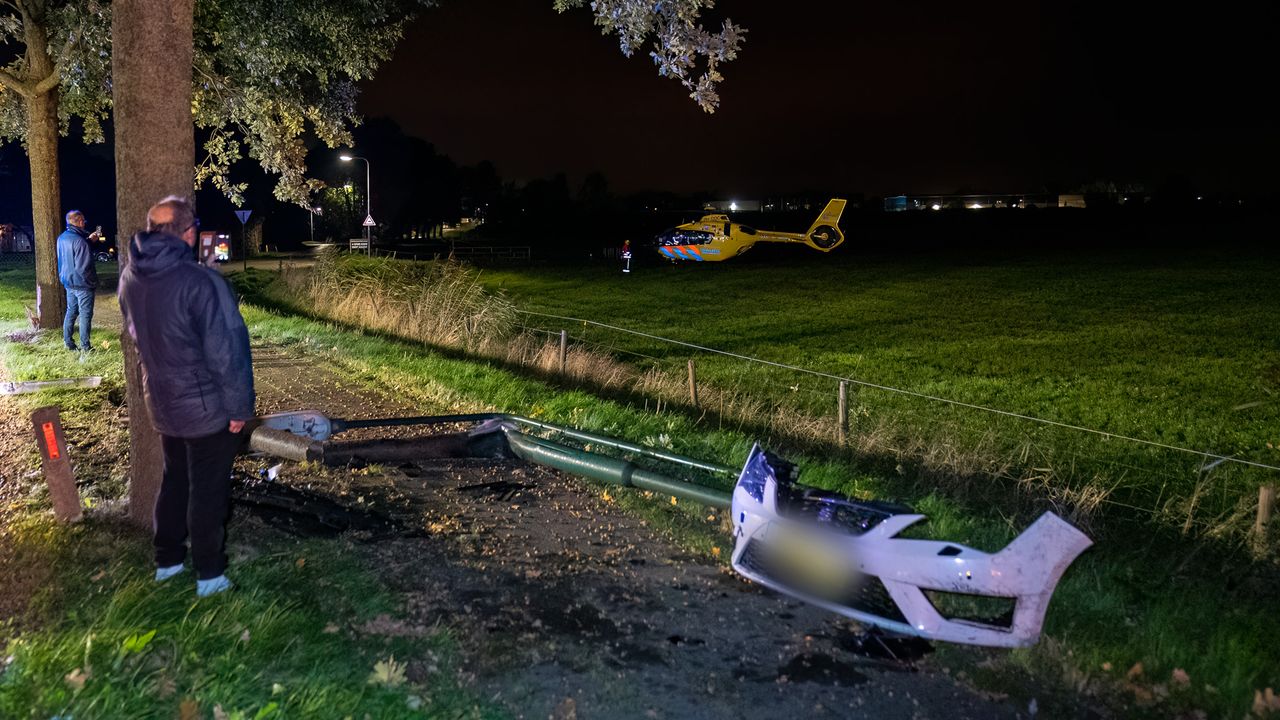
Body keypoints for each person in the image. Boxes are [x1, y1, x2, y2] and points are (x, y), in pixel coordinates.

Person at [118, 196, 255, 598]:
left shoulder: (130, 276)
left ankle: (167, 561)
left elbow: (137, 334)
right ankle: (210, 575)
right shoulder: (202, 282)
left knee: (174, 480)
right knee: (208, 489)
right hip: (206, 406)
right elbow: (227, 351)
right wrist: (239, 408)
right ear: (189, 232)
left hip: (161, 400)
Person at [56, 210, 101, 351]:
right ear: (78, 221)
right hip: (83, 284)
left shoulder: (62, 237)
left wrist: (89, 241)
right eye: (83, 220)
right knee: (85, 315)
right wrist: (92, 282)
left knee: (71, 312)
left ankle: (68, 342)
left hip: (69, 282)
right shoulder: (80, 241)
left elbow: (72, 255)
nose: (84, 223)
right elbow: (84, 265)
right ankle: (86, 348)